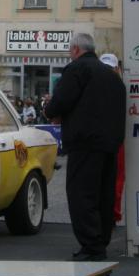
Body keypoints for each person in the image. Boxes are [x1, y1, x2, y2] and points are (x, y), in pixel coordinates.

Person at [44, 33, 125, 261]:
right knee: (104, 194)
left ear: (77, 50)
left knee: (82, 194)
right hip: (110, 145)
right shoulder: (112, 77)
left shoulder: (78, 69)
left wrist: (50, 112)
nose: (70, 55)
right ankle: (101, 241)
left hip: (85, 143)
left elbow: (61, 100)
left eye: (70, 51)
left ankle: (91, 246)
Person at [100, 53, 125, 224]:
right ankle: (109, 214)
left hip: (113, 141)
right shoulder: (120, 86)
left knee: (114, 179)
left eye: (110, 69)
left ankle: (111, 214)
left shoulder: (120, 87)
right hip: (109, 141)